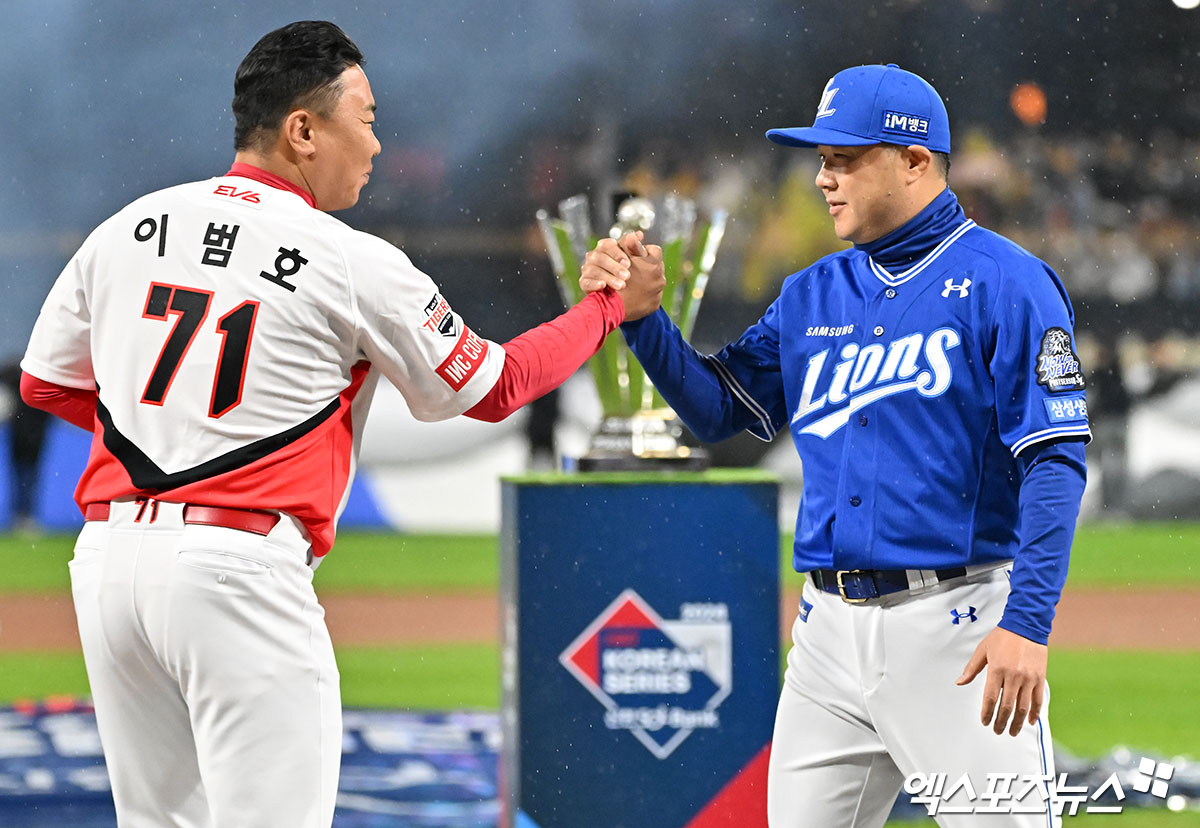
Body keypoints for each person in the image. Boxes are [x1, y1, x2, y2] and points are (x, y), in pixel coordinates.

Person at [20, 21, 660, 828]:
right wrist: (605, 309)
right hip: (237, 569)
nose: (378, 144)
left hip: (110, 564)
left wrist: (173, 439)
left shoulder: (130, 227)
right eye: (365, 118)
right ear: (302, 130)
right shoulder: (349, 258)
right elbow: (495, 387)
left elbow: (47, 382)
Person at [582, 64, 1090, 826]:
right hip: (826, 636)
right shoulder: (811, 292)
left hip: (959, 628)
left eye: (845, 158)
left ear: (915, 161)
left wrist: (1028, 622)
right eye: (821, 159)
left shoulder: (1007, 283)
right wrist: (645, 322)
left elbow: (1054, 460)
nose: (823, 177)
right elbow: (723, 409)